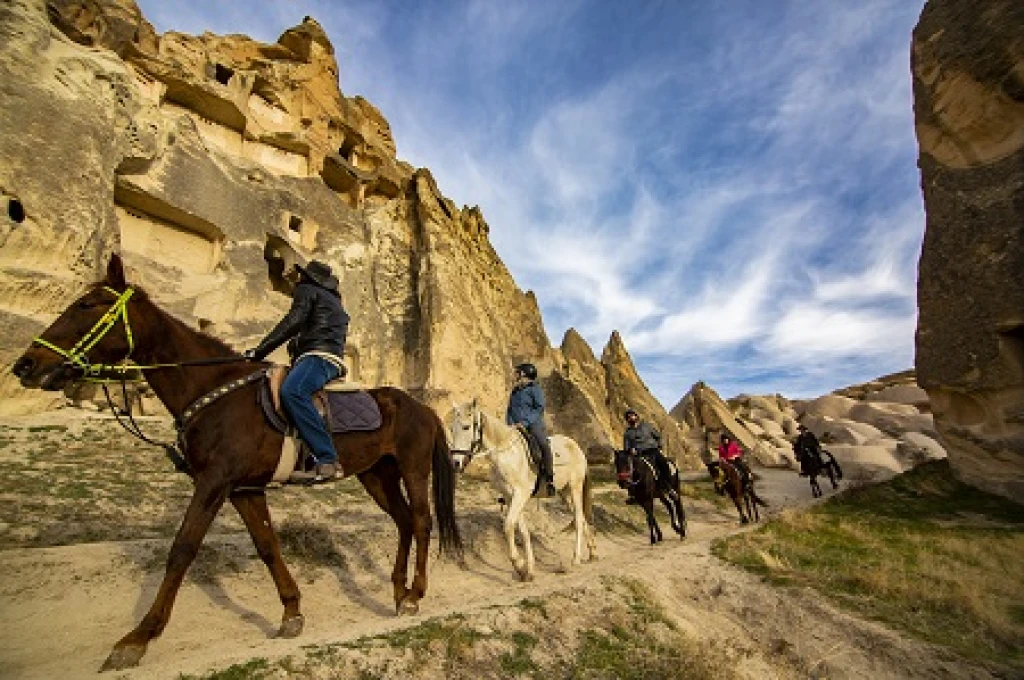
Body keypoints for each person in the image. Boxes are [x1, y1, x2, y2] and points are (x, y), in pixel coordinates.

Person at [245, 260, 349, 484]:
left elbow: (293, 322)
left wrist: (259, 351)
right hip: (326, 357)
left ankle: (327, 460)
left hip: (318, 357)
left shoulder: (308, 290)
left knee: (294, 391)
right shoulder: (334, 301)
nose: (298, 279)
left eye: (302, 275)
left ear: (309, 278)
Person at [506, 362, 556, 498]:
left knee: (543, 444)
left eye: (518, 373)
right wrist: (510, 424)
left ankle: (549, 478)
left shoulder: (535, 389)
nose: (516, 375)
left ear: (524, 374)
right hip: (515, 426)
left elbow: (539, 408)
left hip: (533, 425)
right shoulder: (515, 391)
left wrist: (525, 423)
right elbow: (510, 409)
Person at [623, 408, 672, 503]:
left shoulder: (647, 426)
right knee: (630, 471)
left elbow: (658, 436)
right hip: (639, 455)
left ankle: (668, 488)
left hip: (653, 451)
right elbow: (626, 447)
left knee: (664, 464)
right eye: (628, 417)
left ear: (636, 416)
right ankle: (633, 494)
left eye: (632, 415)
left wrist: (659, 446)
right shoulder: (627, 433)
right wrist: (630, 449)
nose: (630, 418)